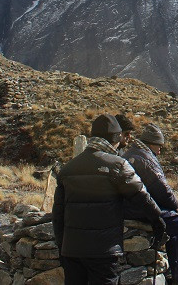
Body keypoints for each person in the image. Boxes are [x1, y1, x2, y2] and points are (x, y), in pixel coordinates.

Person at [53, 113, 164, 285]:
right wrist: (159, 222)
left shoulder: (68, 169)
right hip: (104, 251)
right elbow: (142, 198)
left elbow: (58, 215)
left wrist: (63, 248)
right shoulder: (118, 165)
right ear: (116, 137)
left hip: (72, 251)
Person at [121, 120, 178, 285]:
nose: (160, 150)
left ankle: (173, 273)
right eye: (159, 146)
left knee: (173, 230)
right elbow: (161, 189)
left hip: (128, 207)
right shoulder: (145, 159)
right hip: (142, 210)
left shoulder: (130, 154)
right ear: (152, 143)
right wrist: (175, 205)